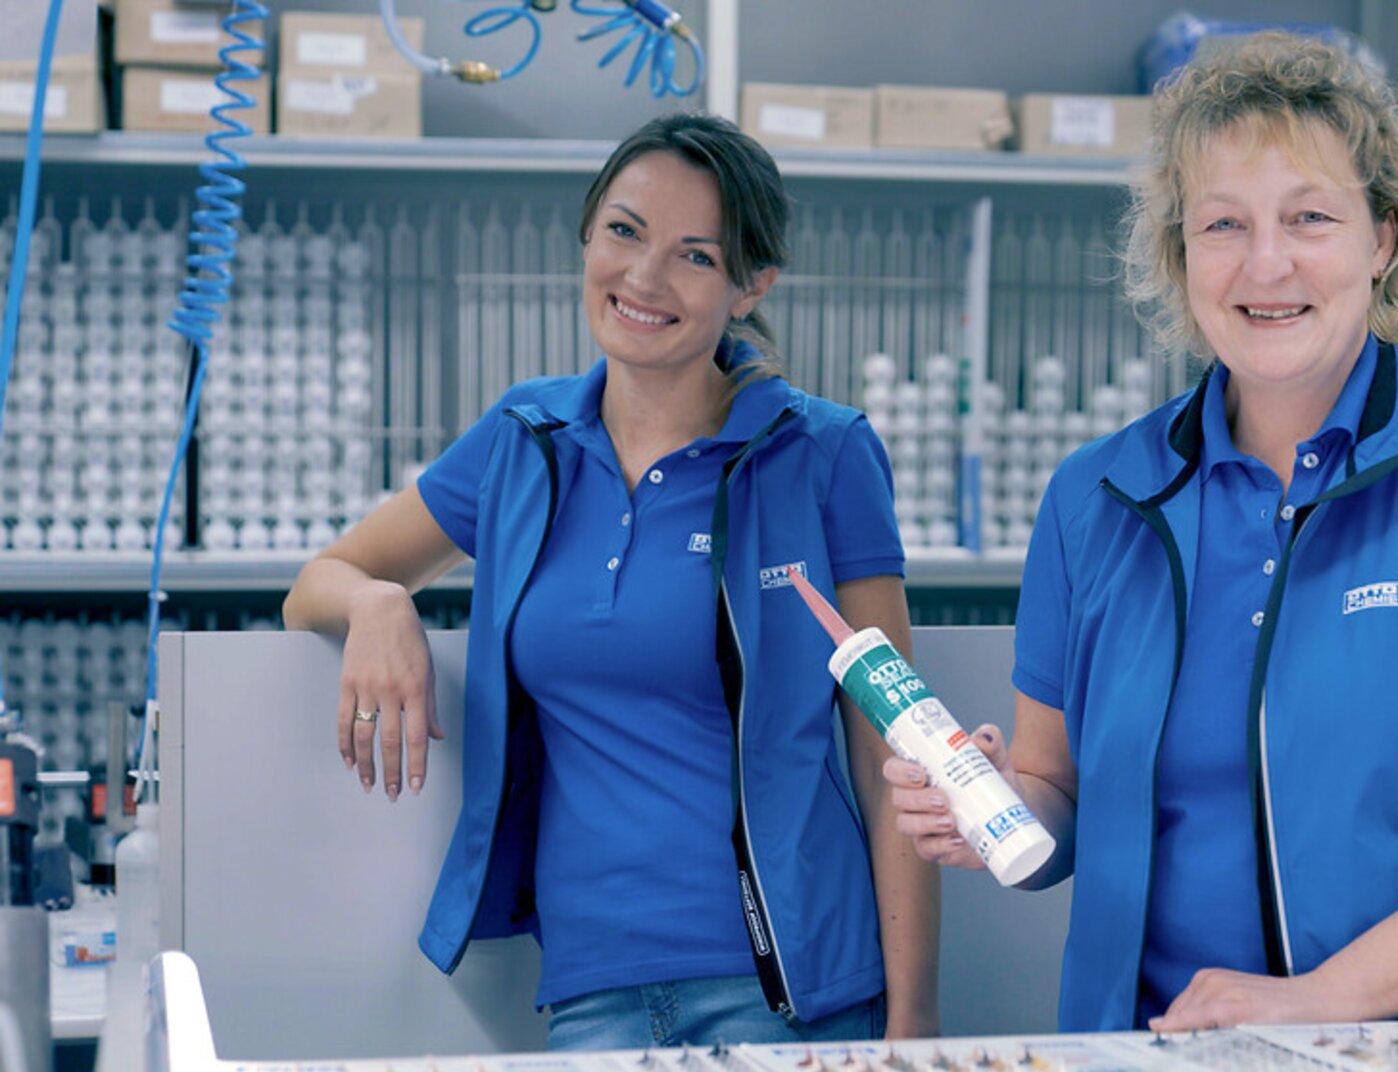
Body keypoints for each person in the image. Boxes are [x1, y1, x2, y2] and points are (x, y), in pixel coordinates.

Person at [886, 32, 1398, 1033]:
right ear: (1180, 251)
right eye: (1223, 223)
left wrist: (1317, 1006)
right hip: (1161, 1048)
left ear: (1385, 237)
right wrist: (994, 810)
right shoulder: (1093, 500)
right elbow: (1056, 790)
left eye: (1310, 217)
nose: (1265, 264)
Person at [283, 113, 938, 1050]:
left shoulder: (822, 455)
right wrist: (380, 602)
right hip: (591, 996)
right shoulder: (525, 441)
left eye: (695, 255)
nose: (644, 278)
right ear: (588, 235)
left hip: (791, 997)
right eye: (624, 232)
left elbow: (893, 757)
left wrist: (914, 1028)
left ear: (752, 285)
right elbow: (318, 581)